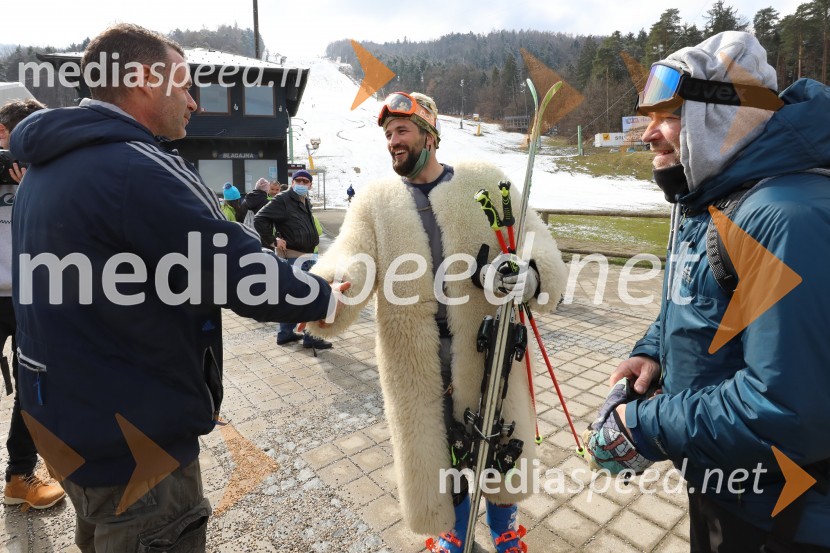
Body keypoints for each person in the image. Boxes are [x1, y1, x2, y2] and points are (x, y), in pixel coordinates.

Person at [9, 23, 341, 551]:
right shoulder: (136, 168)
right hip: (138, 447)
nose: (193, 102)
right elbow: (237, 270)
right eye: (184, 85)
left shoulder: (46, 168)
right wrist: (325, 294)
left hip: (70, 427)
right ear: (141, 79)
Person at [583, 32, 830, 552]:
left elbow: (787, 409)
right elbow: (699, 297)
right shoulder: (715, 201)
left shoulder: (785, 217)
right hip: (727, 478)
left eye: (667, 116)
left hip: (780, 516)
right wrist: (652, 351)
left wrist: (643, 425)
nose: (648, 135)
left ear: (724, 115)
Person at [306, 92, 568, 552]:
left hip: (488, 348)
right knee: (441, 448)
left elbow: (534, 239)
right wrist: (324, 291)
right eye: (388, 135)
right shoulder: (375, 201)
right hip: (414, 356)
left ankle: (504, 526)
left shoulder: (484, 180)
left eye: (402, 131)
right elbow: (351, 256)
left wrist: (529, 275)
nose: (393, 141)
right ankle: (455, 531)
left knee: (497, 439)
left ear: (430, 135)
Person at [0, 99, 66, 510]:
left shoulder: (47, 174)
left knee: (32, 390)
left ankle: (18, 476)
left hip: (29, 297)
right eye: (26, 132)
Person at [255, 169, 332, 350]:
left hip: (306, 255)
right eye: (299, 180)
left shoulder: (305, 201)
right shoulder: (283, 199)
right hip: (293, 256)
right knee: (308, 295)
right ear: (292, 182)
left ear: (310, 185)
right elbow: (260, 219)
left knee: (291, 295)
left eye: (306, 181)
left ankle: (285, 334)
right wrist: (273, 240)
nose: (302, 184)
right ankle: (311, 337)